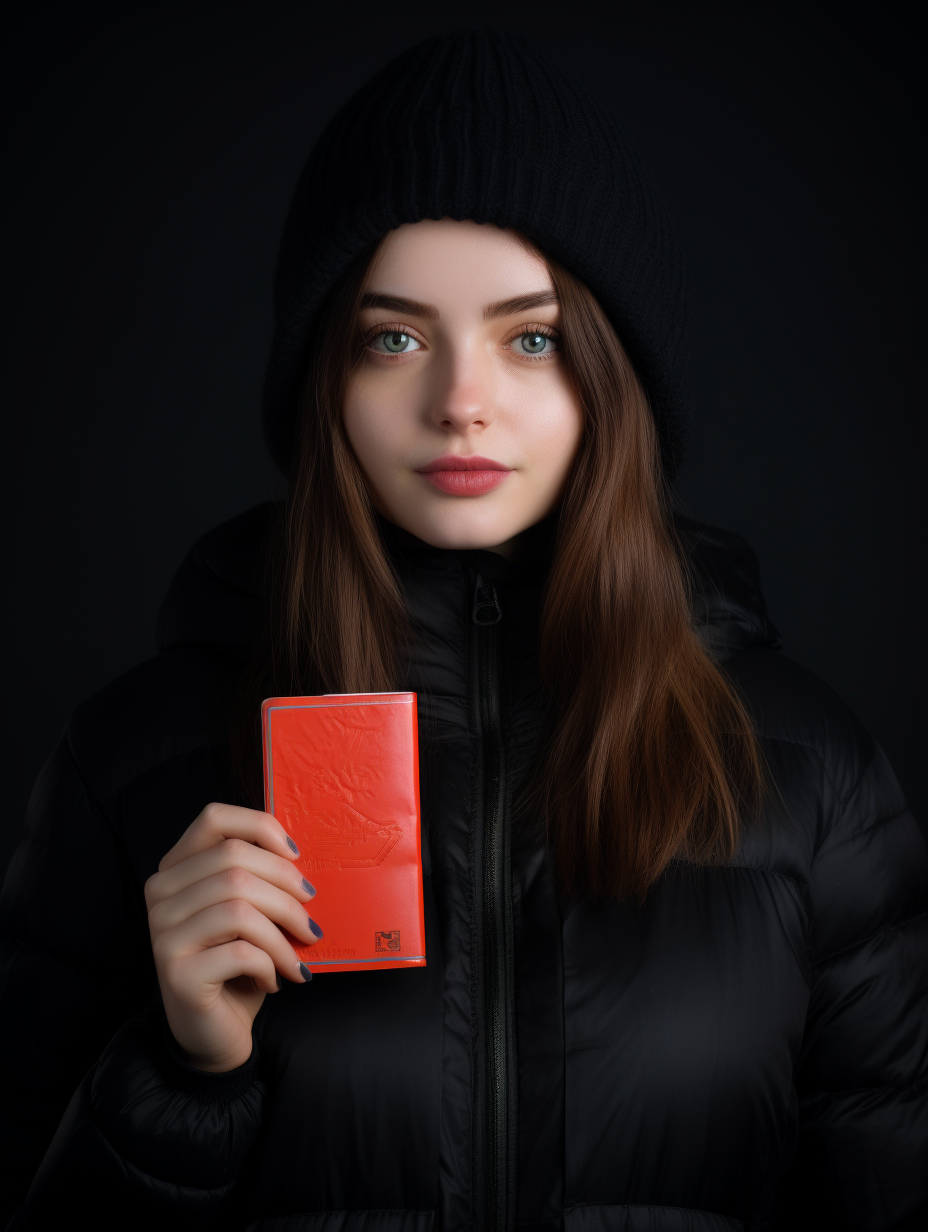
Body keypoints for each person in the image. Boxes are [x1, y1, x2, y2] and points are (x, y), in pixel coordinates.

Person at [1, 30, 925, 1232]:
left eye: (529, 336)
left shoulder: (812, 774)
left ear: (614, 374)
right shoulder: (130, 763)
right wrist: (181, 1071)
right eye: (394, 337)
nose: (459, 400)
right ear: (323, 378)